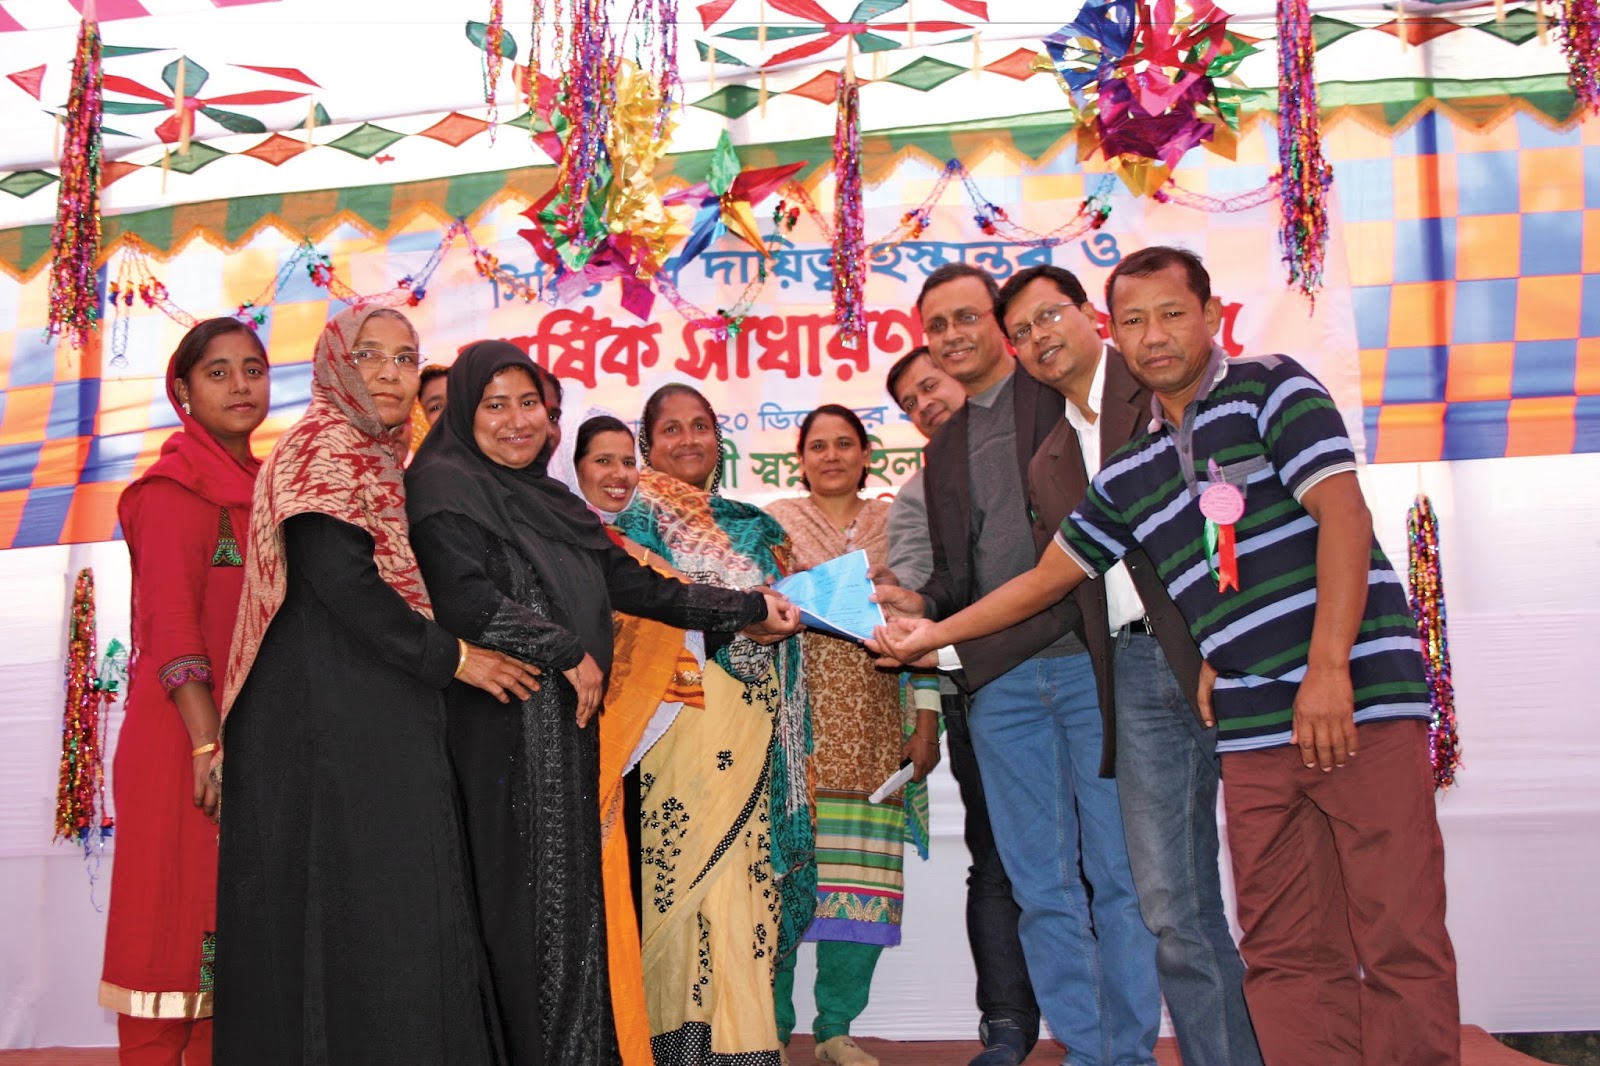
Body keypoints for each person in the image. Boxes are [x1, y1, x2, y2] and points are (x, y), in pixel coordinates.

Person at [875, 246, 1460, 1066]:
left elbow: (1344, 515)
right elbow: (1048, 577)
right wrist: (931, 636)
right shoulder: (1132, 468)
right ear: (1117, 331)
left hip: (1353, 693)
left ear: (1212, 315)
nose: (1154, 336)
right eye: (1137, 321)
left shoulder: (1271, 386)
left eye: (1172, 314)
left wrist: (1329, 668)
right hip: (1249, 718)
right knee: (1284, 945)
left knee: (1396, 929)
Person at [406, 344, 797, 1066]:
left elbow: (641, 586)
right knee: (519, 908)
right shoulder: (441, 487)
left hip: (569, 726)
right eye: (496, 404)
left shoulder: (551, 502)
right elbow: (464, 599)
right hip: (500, 726)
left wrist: (747, 606)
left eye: (530, 403)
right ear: (463, 412)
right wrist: (564, 649)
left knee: (570, 904)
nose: (518, 420)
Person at [215, 306, 541, 1065]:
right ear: (335, 363)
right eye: (370, 355)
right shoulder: (320, 449)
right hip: (324, 722)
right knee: (357, 909)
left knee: (388, 906)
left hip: (370, 708)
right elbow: (343, 581)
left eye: (405, 358)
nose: (391, 374)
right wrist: (455, 659)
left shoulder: (383, 458)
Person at [878, 263, 1160, 1066]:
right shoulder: (944, 448)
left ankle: (1130, 1056)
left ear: (1001, 327)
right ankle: (1090, 1049)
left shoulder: (1057, 396)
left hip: (1092, 666)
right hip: (997, 685)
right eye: (937, 326)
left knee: (1119, 876)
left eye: (967, 318)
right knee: (1039, 887)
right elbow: (955, 576)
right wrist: (914, 603)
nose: (952, 337)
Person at [993, 264, 1261, 1066]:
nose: (1039, 338)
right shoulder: (1048, 458)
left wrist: (1224, 641)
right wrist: (934, 641)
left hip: (1235, 656)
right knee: (1171, 906)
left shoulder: (1169, 388)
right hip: (1134, 673)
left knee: (1281, 889)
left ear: (1091, 316)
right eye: (1022, 332)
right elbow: (1055, 581)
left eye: (1050, 316)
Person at [613, 384, 813, 1066]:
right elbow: (633, 614)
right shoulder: (630, 519)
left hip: (754, 722)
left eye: (700, 426)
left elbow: (793, 610)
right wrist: (734, 623)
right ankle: (675, 1045)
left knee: (743, 884)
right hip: (673, 723)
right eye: (671, 429)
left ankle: (744, 1045)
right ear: (647, 445)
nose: (689, 440)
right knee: (676, 880)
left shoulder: (759, 528)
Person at [100, 319, 269, 1066]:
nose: (240, 386)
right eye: (218, 372)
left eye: (253, 370)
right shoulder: (169, 492)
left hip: (249, 739)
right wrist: (207, 743)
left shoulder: (268, 491)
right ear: (184, 391)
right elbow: (171, 627)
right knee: (171, 935)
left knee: (229, 941)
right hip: (184, 741)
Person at [880, 348, 1041, 1066]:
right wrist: (907, 604)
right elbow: (921, 588)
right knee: (997, 858)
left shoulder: (1046, 444)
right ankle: (1006, 1023)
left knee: (1095, 857)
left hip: (1081, 676)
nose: (925, 405)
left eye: (929, 385)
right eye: (910, 402)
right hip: (978, 688)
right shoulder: (918, 492)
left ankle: (1097, 1019)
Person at [765, 406, 936, 1066]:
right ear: (800, 459)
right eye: (818, 445)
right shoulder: (775, 523)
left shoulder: (897, 524)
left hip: (874, 727)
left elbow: (929, 628)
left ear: (867, 455)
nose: (832, 455)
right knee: (781, 887)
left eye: (845, 444)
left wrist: (926, 719)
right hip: (793, 733)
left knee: (863, 887)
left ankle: (835, 1029)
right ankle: (773, 1028)